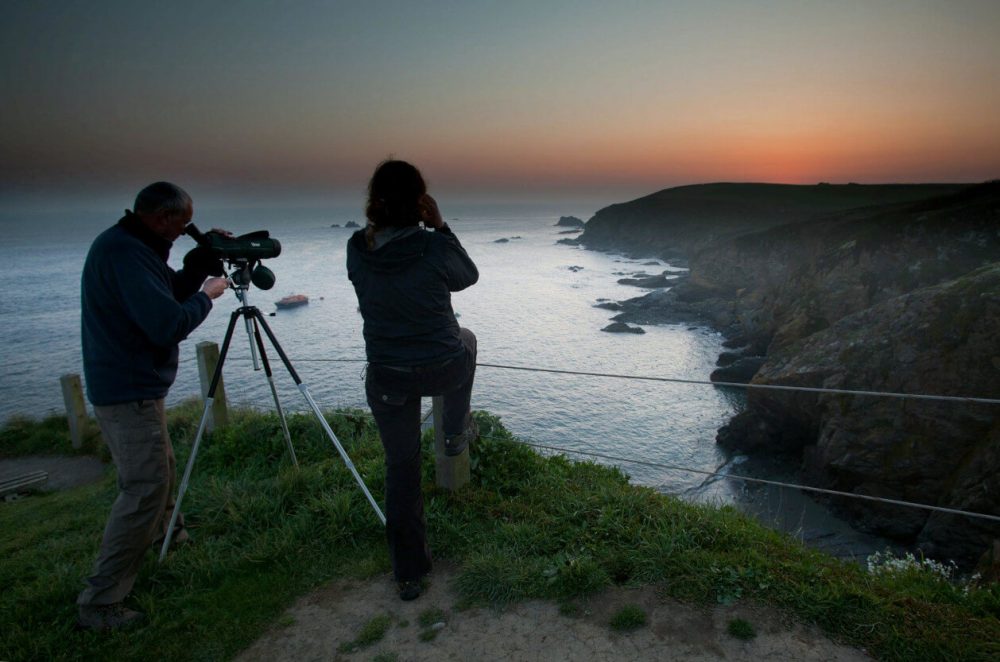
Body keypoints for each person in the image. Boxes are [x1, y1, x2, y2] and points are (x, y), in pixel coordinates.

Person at [76, 181, 229, 631]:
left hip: (130, 385)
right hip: (128, 389)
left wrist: (195, 269)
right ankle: (100, 601)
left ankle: (171, 538)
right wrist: (210, 294)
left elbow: (162, 296)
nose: (184, 232)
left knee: (159, 470)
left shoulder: (130, 247)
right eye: (182, 225)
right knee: (144, 488)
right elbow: (166, 323)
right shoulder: (125, 254)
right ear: (161, 218)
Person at [347, 160, 479, 601]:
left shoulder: (356, 248)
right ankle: (455, 432)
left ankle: (408, 574)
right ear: (420, 201)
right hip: (443, 366)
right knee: (468, 338)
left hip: (389, 376)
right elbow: (468, 276)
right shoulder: (431, 246)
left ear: (374, 202)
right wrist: (440, 226)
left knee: (401, 470)